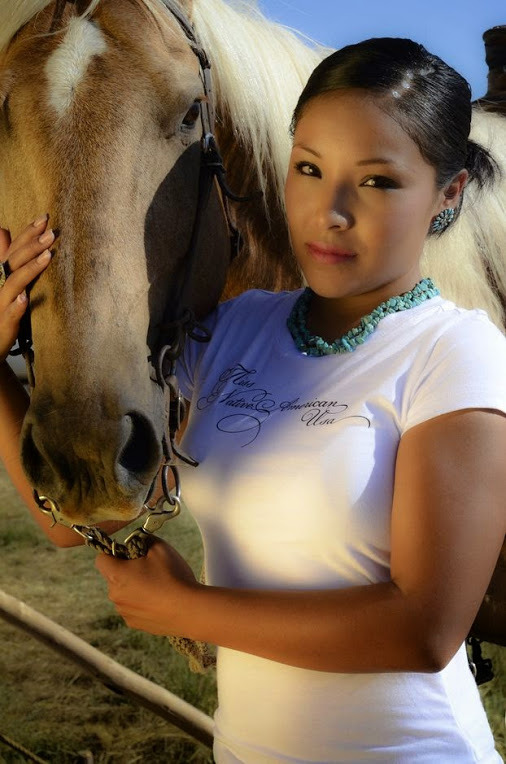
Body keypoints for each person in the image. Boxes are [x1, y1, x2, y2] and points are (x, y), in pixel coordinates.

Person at [1, 37, 506, 763]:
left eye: (377, 182)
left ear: (446, 196)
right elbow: (74, 515)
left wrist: (185, 610)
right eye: (308, 169)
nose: (329, 212)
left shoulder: (456, 350)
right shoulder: (234, 331)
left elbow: (424, 631)